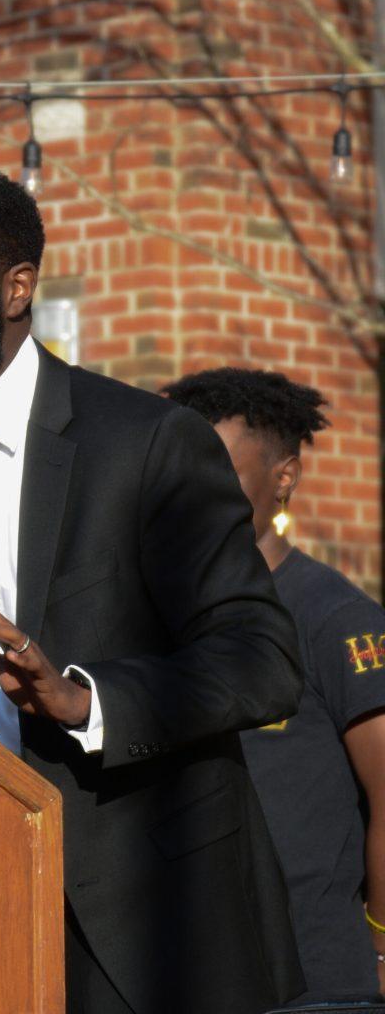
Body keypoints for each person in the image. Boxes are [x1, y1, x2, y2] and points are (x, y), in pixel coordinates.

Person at [0, 158, 304, 1014]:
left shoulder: (146, 443)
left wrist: (83, 699)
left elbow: (261, 658)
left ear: (15, 288)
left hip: (134, 917)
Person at [164, 366, 385, 1006]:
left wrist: (380, 945)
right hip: (189, 974)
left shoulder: (336, 618)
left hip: (314, 981)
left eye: (220, 473)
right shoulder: (155, 615)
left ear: (283, 477)